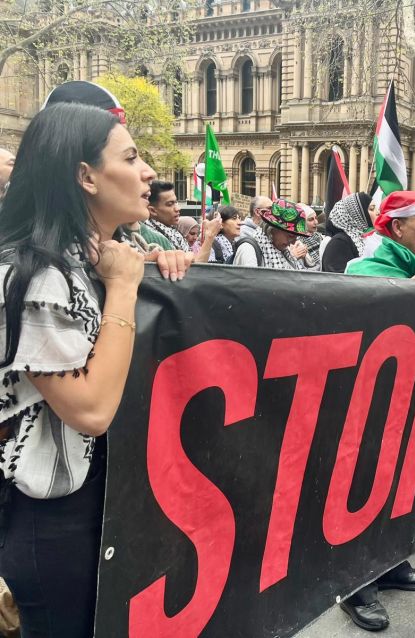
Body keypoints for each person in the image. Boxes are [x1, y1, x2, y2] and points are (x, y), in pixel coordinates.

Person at [0, 102, 191, 637]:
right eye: (130, 157)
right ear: (85, 176)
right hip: (59, 523)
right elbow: (90, 409)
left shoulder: (99, 260)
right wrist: (128, 290)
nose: (148, 172)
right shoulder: (31, 274)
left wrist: (170, 281)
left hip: (112, 505)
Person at [337, 191, 415, 631]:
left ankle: (389, 562)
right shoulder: (365, 268)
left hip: (404, 398)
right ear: (397, 228)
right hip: (367, 406)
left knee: (398, 483)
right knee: (363, 489)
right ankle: (355, 585)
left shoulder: (413, 267)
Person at [144, 180, 218, 262]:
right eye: (170, 204)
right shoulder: (153, 238)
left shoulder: (172, 232)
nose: (178, 208)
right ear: (153, 211)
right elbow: (196, 269)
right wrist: (210, 235)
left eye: (176, 202)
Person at [232, 199, 307, 270]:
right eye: (290, 236)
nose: (293, 242)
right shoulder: (248, 250)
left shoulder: (285, 252)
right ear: (272, 229)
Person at [322, 193, 375, 273]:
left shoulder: (360, 238)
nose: (377, 212)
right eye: (371, 209)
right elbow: (339, 278)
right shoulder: (339, 242)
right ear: (357, 214)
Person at [296, 203, 323, 270]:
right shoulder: (296, 242)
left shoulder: (320, 237)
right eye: (311, 219)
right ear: (302, 222)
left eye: (316, 218)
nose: (316, 222)